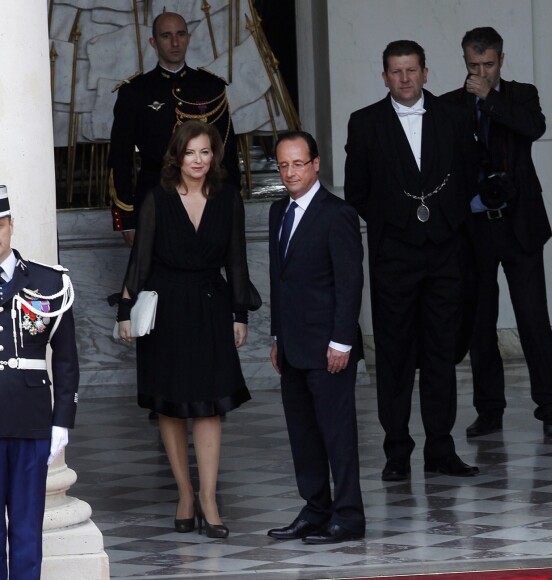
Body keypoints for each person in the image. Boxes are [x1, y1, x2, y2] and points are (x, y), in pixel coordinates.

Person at [117, 120, 260, 538]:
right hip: (166, 309)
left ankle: (210, 499)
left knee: (211, 404)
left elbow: (237, 260)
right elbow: (140, 259)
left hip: (213, 306)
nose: (198, 160)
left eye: (205, 152)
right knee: (171, 404)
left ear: (214, 156)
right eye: (190, 152)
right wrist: (126, 309)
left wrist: (240, 314)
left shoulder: (227, 197)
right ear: (176, 156)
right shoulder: (157, 198)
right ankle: (184, 494)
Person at [344, 40, 479, 482]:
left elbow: (468, 177)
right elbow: (357, 192)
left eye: (411, 70)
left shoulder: (454, 116)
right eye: (395, 72)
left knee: (442, 353)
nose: (404, 79)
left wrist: (443, 222)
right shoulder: (364, 123)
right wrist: (403, 220)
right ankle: (397, 451)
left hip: (445, 253)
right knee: (396, 356)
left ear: (425, 72)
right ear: (384, 76)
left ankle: (441, 447)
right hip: (393, 257)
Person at [441, 27, 552, 438]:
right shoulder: (450, 105)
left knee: (533, 319)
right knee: (480, 323)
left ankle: (550, 406)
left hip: (521, 227)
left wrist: (488, 98)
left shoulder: (521, 95)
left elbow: (533, 129)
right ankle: (489, 409)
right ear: (464, 62)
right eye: (473, 65)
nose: (481, 71)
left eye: (489, 65)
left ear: (501, 60)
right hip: (476, 228)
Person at [267, 131, 365, 545]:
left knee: (337, 435)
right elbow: (280, 280)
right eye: (284, 165)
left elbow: (350, 283)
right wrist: (277, 336)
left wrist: (341, 342)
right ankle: (315, 509)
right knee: (303, 435)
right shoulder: (278, 212)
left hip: (329, 348)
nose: (290, 172)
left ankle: (348, 515)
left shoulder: (336, 213)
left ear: (316, 164)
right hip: (292, 346)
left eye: (298, 164)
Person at [108, 10, 241, 246]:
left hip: (206, 198)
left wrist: (231, 207)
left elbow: (227, 151)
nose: (175, 42)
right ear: (153, 42)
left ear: (189, 38)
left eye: (180, 34)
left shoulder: (211, 86)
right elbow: (120, 156)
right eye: (166, 35)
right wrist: (126, 218)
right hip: (153, 195)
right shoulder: (135, 91)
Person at [0, 185, 78, 579]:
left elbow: (65, 359)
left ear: (11, 224)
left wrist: (63, 419)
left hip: (31, 421)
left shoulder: (49, 283)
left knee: (29, 527)